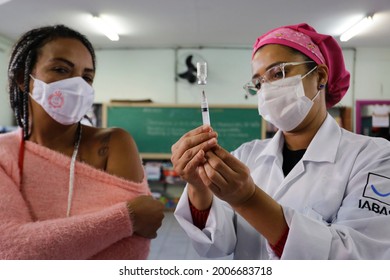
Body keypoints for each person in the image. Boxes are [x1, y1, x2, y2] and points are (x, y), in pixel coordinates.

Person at [172, 23, 390, 259]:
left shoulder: (373, 158)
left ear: (320, 76)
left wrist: (248, 199)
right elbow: (215, 245)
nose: (267, 90)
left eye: (279, 73)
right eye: (259, 83)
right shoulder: (246, 155)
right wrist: (198, 186)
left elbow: (359, 258)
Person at [0, 24, 164, 259]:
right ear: (23, 79)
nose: (77, 86)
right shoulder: (5, 154)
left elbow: (128, 254)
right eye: (60, 69)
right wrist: (128, 218)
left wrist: (45, 241)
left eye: (86, 77)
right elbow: (14, 253)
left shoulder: (112, 144)